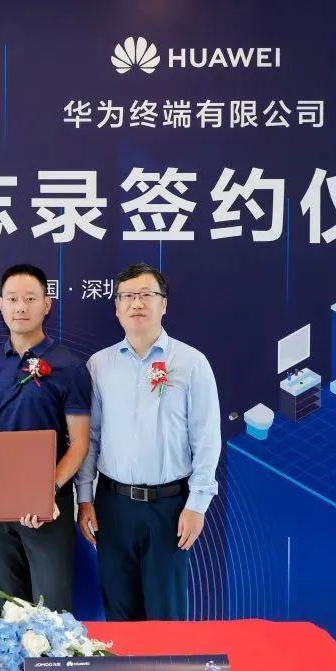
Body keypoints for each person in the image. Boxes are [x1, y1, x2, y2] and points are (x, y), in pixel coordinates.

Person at [76, 262, 221, 620]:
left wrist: (197, 505)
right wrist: (85, 498)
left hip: (169, 507)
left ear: (164, 304)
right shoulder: (99, 364)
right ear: (116, 307)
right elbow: (91, 437)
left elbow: (206, 438)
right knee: (119, 613)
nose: (137, 303)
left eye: (146, 294)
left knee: (166, 616)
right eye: (127, 296)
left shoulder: (191, 363)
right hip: (113, 505)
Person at [0, 264, 92, 612]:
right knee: (6, 605)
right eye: (12, 299)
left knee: (52, 608)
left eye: (30, 299)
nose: (20, 307)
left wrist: (46, 489)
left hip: (48, 502)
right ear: (0, 304)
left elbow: (80, 442)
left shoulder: (70, 367)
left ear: (46, 305)